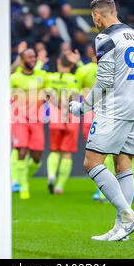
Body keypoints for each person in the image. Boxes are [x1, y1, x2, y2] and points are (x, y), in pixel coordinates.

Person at [69, 0, 134, 241]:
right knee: (123, 163)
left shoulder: (104, 38)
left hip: (115, 108)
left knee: (91, 163)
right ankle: (122, 228)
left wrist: (83, 108)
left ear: (96, 16)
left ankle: (128, 216)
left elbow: (104, 81)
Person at [76, 44, 134, 203]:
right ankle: (103, 193)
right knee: (102, 155)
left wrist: (81, 108)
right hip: (98, 114)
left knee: (110, 156)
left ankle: (124, 200)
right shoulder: (88, 69)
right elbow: (77, 89)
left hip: (112, 113)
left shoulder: (114, 67)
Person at [10, 48, 47, 199]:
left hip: (36, 121)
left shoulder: (42, 76)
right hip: (19, 120)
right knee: (22, 151)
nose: (33, 59)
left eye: (34, 57)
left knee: (37, 158)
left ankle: (22, 176)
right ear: (21, 59)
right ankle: (23, 186)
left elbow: (50, 92)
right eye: (29, 57)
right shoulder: (15, 78)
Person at [44, 52, 81, 194]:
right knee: (67, 153)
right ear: (71, 65)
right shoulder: (74, 79)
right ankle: (59, 186)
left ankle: (51, 174)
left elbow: (47, 95)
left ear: (59, 62)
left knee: (54, 150)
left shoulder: (49, 78)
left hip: (55, 118)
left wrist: (57, 105)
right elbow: (74, 96)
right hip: (71, 118)